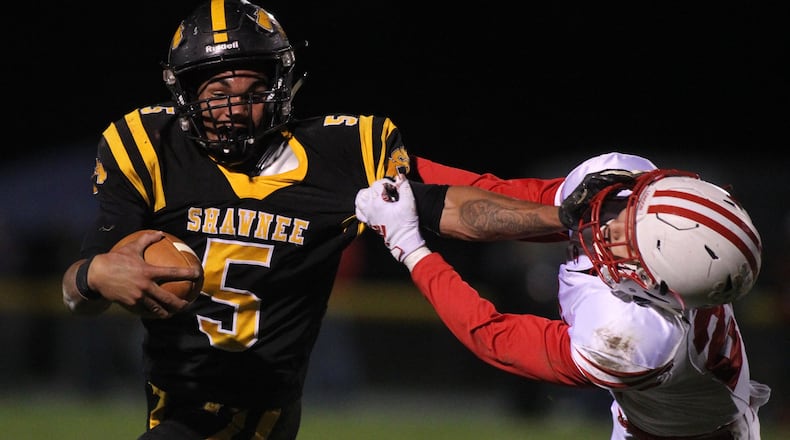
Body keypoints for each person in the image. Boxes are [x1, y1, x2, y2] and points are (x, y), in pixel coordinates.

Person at [61, 1, 607, 438]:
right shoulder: (147, 147)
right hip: (176, 404)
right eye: (217, 92)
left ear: (281, 89)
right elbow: (82, 288)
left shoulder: (343, 153)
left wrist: (572, 218)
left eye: (252, 91)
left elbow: (455, 207)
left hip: (263, 413)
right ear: (183, 94)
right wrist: (93, 276)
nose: (235, 108)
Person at [355, 156, 771, 439]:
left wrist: (409, 247)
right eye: (636, 208)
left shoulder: (641, 340)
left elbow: (493, 335)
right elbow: (504, 196)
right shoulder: (626, 179)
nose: (612, 225)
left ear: (660, 290)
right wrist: (390, 163)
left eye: (632, 241)